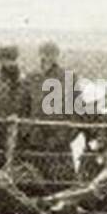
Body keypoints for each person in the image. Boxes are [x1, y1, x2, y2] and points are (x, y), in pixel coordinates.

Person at [24, 41, 76, 187]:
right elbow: (24, 109)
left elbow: (76, 113)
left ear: (56, 56)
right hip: (36, 142)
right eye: (44, 54)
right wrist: (28, 133)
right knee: (35, 185)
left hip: (59, 145)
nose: (47, 57)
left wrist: (63, 137)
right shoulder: (31, 78)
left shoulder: (67, 78)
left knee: (61, 186)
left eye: (51, 54)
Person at [0, 45, 29, 169]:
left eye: (12, 59)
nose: (10, 63)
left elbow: (29, 110)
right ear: (0, 61)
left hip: (21, 139)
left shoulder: (27, 84)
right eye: (6, 59)